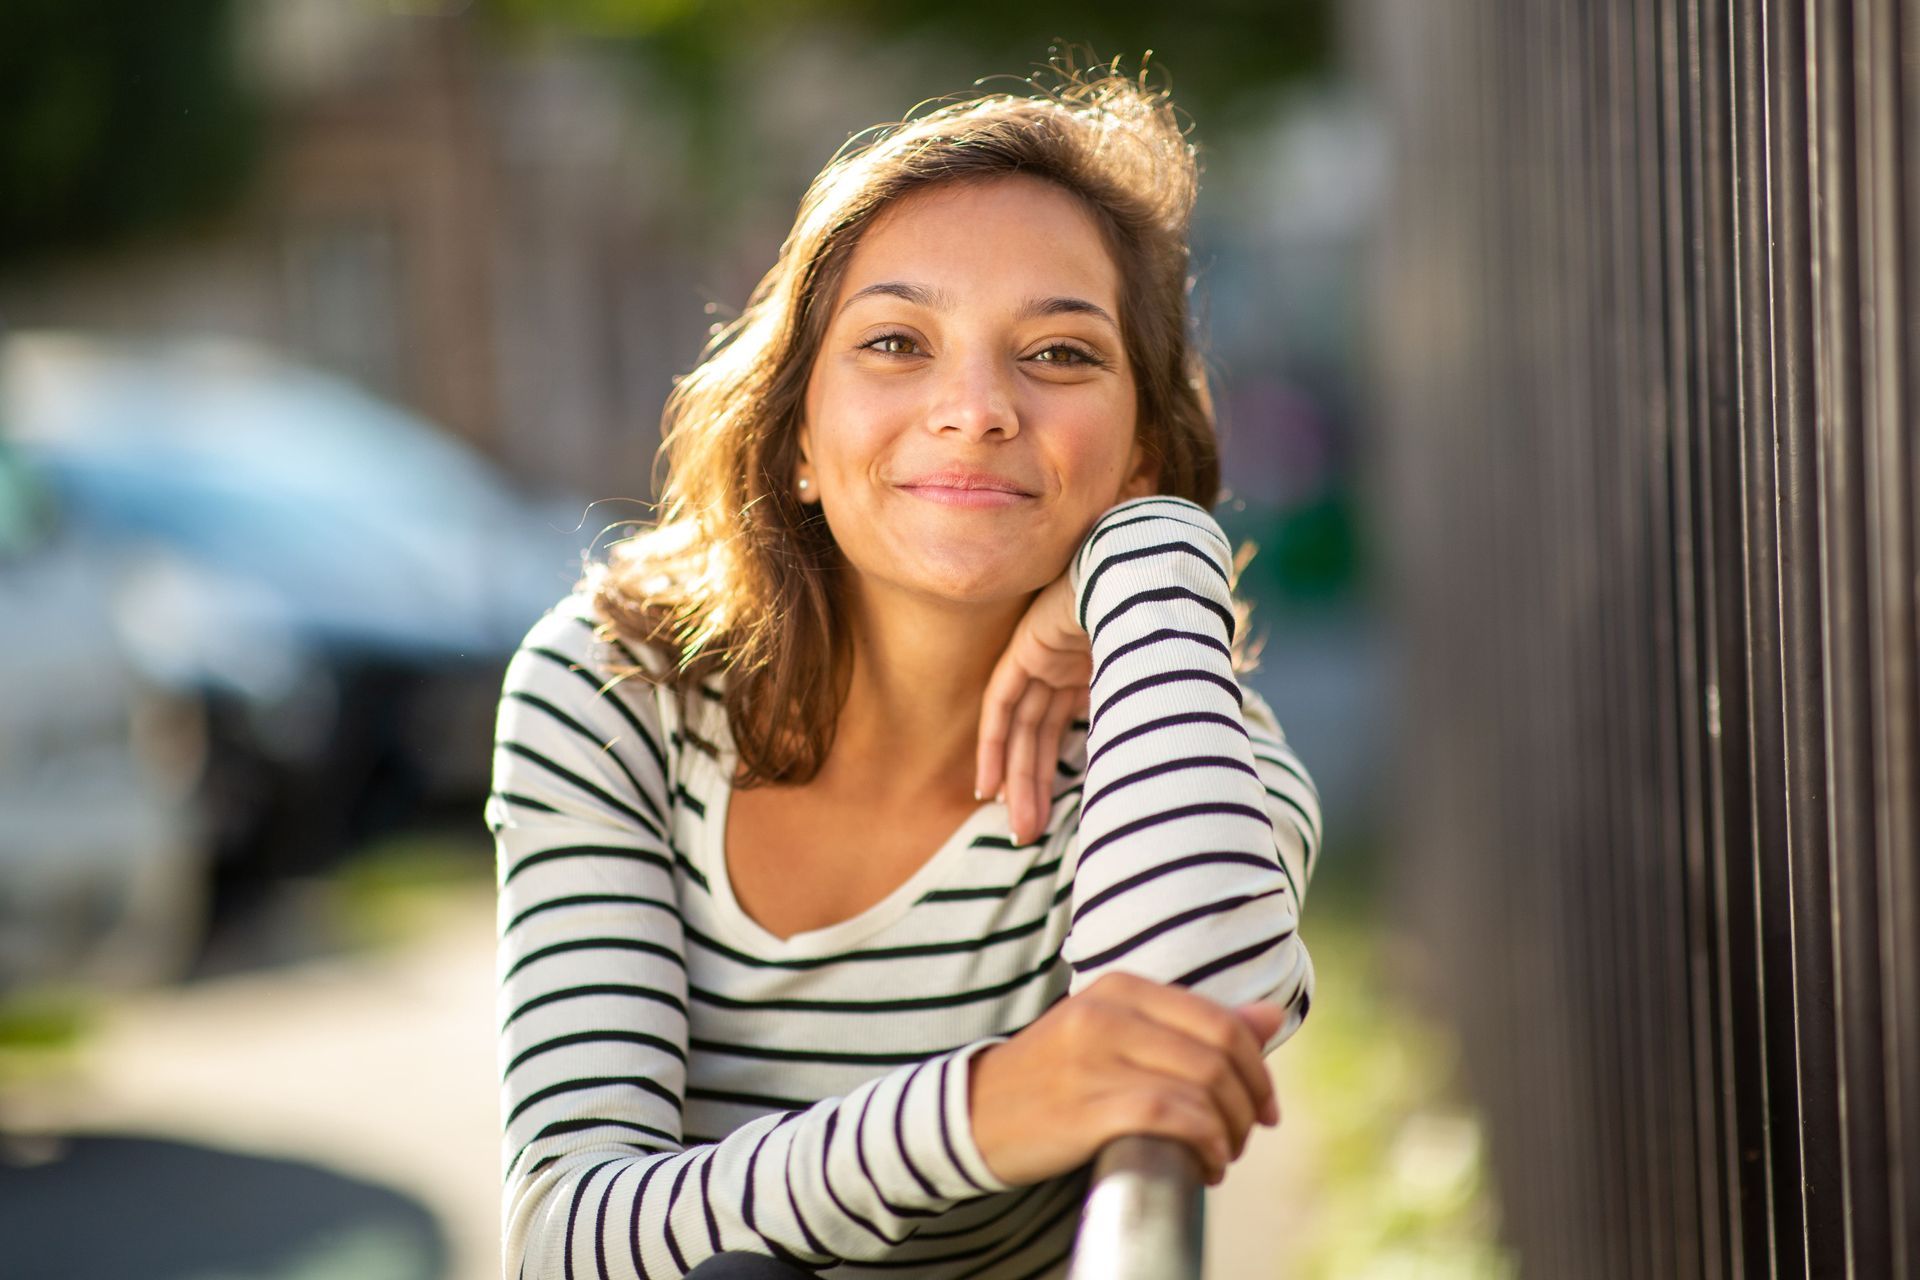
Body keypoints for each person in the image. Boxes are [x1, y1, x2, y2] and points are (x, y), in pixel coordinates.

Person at [489, 59, 1323, 1280]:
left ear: (1140, 447)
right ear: (802, 439)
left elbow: (1188, 1026)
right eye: (895, 341)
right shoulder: (611, 687)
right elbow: (563, 1234)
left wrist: (1154, 547)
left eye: (1060, 353)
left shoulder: (1175, 731)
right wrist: (981, 1111)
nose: (977, 406)